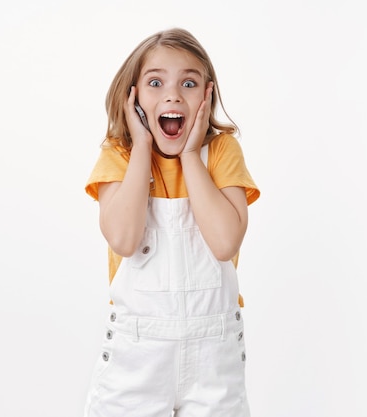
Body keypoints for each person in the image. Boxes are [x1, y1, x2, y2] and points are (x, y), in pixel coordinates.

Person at [82, 28, 260, 417]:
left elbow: (225, 243)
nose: (173, 94)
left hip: (214, 362)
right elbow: (124, 240)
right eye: (156, 82)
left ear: (207, 96)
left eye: (189, 82)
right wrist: (143, 146)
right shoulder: (121, 155)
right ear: (134, 98)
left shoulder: (221, 152)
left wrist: (192, 155)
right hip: (137, 359)